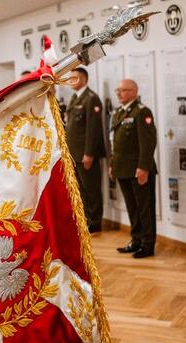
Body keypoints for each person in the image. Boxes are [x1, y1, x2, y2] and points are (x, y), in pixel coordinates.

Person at [109, 79, 157, 258]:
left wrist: (143, 167)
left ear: (134, 91)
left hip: (138, 170)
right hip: (122, 169)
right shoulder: (118, 112)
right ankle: (136, 240)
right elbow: (116, 142)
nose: (119, 93)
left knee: (145, 209)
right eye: (118, 90)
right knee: (132, 208)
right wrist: (113, 164)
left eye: (123, 90)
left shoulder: (142, 112)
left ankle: (147, 245)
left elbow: (148, 142)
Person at [64, 67, 106, 234]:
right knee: (81, 190)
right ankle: (87, 219)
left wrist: (89, 154)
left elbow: (93, 130)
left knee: (92, 189)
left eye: (74, 78)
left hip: (86, 155)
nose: (70, 81)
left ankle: (95, 222)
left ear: (83, 79)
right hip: (75, 154)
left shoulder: (91, 99)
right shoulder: (74, 98)